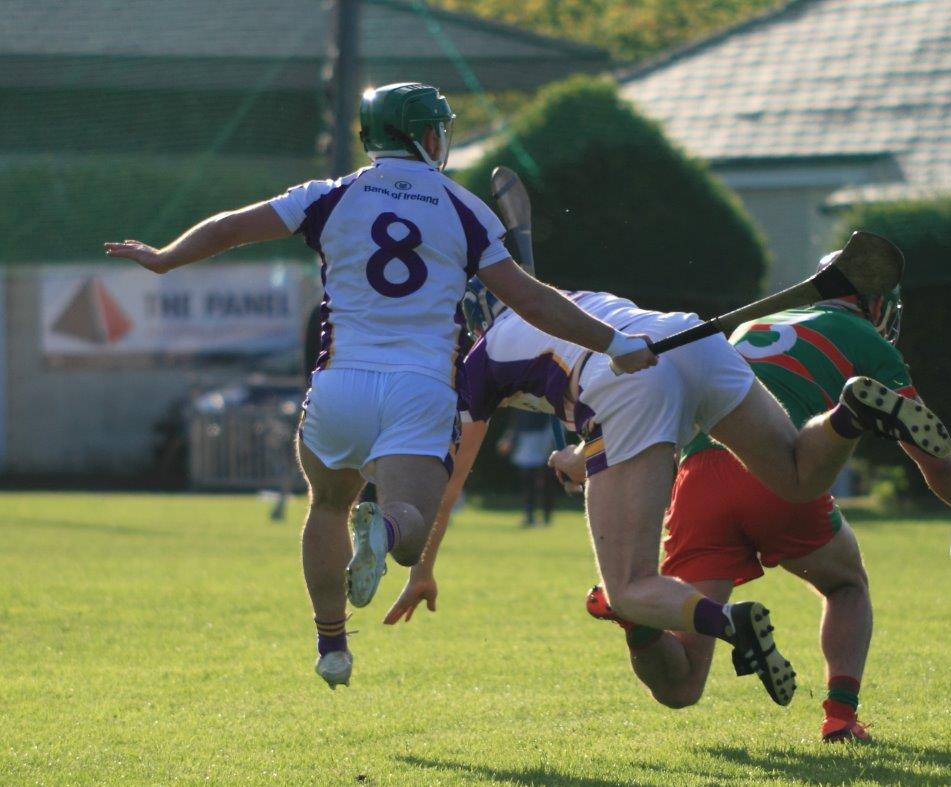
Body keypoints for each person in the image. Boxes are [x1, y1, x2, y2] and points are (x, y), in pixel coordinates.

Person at [104, 82, 656, 690]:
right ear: (426, 136)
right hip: (419, 389)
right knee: (407, 526)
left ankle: (332, 644)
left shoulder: (330, 195)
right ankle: (386, 529)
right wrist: (614, 342)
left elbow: (231, 228)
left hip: (338, 386)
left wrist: (164, 256)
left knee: (328, 505)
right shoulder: (464, 207)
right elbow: (529, 300)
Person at [382, 279, 951, 708]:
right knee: (797, 477)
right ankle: (848, 416)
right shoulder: (571, 297)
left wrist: (421, 568)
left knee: (627, 590)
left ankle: (730, 622)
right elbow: (631, 409)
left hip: (625, 381)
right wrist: (582, 454)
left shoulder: (478, 364)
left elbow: (451, 477)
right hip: (688, 340)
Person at [554, 253, 951, 742]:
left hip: (698, 481)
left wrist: (576, 459)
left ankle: (636, 617)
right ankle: (840, 717)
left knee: (681, 686)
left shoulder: (755, 324)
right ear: (875, 304)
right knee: (846, 585)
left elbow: (648, 416)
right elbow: (931, 454)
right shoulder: (867, 340)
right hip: (777, 469)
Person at [497, 410, 559, 526]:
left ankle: (547, 516)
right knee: (528, 480)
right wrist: (510, 438)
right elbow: (516, 421)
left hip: (545, 434)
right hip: (526, 439)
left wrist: (553, 436)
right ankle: (529, 515)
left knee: (546, 479)